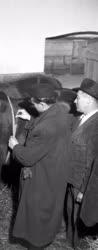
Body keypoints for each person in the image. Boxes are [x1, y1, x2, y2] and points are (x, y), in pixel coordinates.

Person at [8, 84, 72, 250]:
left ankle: (36, 244)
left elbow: (27, 158)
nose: (33, 106)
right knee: (48, 209)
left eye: (34, 104)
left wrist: (15, 146)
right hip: (55, 170)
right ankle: (44, 238)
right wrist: (31, 118)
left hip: (42, 176)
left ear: (43, 104)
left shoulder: (46, 128)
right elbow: (46, 124)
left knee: (37, 212)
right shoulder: (60, 111)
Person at [66, 78, 98, 248]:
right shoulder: (81, 118)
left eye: (78, 97)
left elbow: (94, 162)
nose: (74, 100)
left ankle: (78, 245)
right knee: (71, 214)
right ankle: (71, 244)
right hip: (72, 179)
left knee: (80, 220)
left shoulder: (96, 126)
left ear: (90, 99)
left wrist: (84, 191)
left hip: (82, 185)